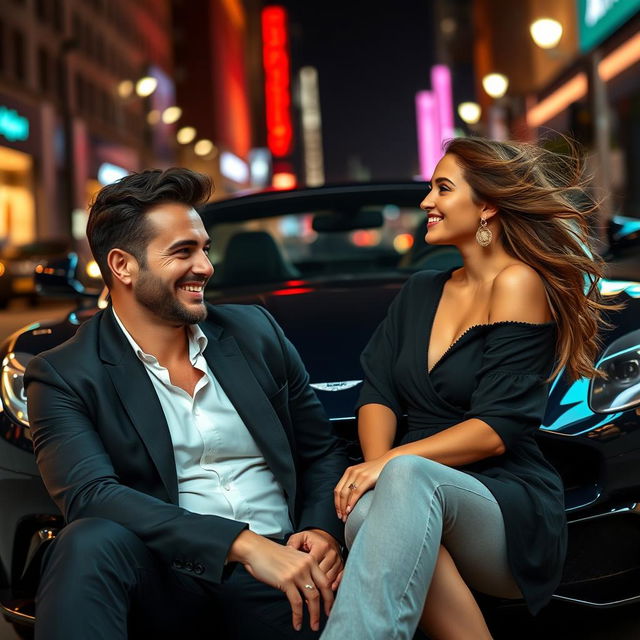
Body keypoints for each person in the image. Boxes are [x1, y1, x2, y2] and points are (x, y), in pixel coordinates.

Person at [24, 168, 347, 640]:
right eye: (183, 251)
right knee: (86, 541)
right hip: (171, 574)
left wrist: (321, 532)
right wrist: (240, 544)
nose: (206, 267)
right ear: (123, 266)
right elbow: (90, 495)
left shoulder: (255, 332)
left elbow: (321, 452)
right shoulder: (64, 372)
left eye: (205, 248)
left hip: (286, 568)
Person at [321, 137, 612, 640]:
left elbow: (496, 431)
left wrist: (388, 466)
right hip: (415, 484)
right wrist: (375, 469)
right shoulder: (419, 291)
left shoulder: (516, 282)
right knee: (375, 505)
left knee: (406, 477)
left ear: (487, 206)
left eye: (442, 188)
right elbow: (378, 393)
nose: (426, 203)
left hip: (503, 498)